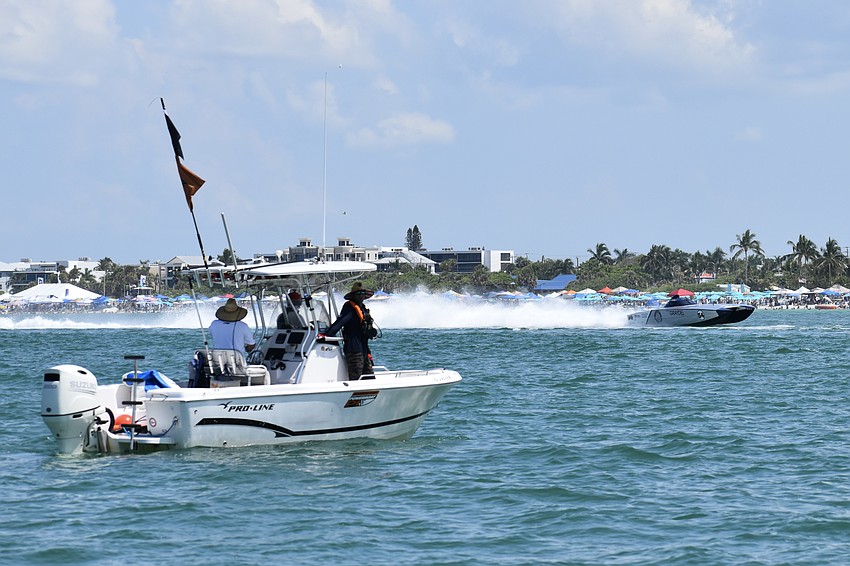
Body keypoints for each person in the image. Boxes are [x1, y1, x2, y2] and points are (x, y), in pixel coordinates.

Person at [320, 282, 378, 380]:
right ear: (353, 296)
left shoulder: (362, 308)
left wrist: (372, 332)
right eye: (358, 294)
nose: (361, 296)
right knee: (356, 376)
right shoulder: (349, 308)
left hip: (364, 349)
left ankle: (370, 393)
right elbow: (339, 323)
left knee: (369, 376)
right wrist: (326, 335)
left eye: (362, 293)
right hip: (354, 350)